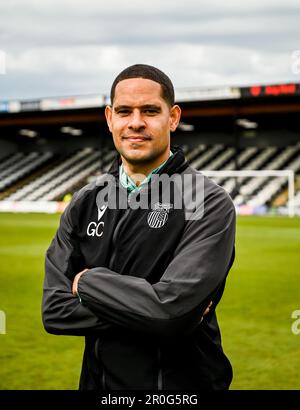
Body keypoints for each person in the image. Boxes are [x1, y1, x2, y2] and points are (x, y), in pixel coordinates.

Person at [42, 64, 236, 390]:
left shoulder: (207, 201)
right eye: (124, 111)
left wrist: (88, 283)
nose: (135, 122)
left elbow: (171, 313)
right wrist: (159, 310)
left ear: (173, 117)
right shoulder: (84, 201)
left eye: (149, 111)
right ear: (109, 118)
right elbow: (55, 311)